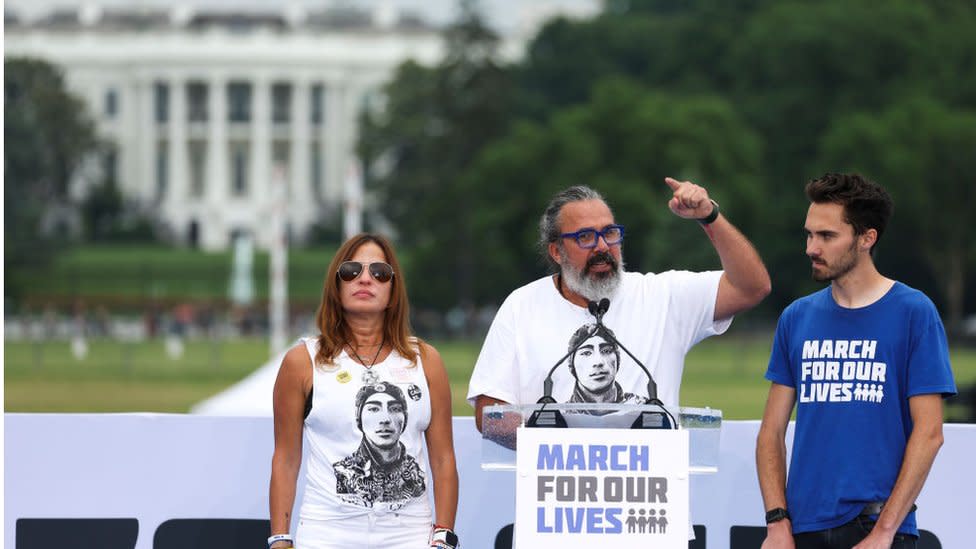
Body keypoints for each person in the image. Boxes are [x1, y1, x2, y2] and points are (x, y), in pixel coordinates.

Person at [468, 178, 771, 428]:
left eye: (610, 233)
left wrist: (710, 217)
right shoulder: (522, 306)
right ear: (557, 252)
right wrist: (558, 449)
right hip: (556, 492)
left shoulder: (661, 296)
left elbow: (751, 287)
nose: (602, 247)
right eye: (585, 237)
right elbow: (489, 411)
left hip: (650, 496)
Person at [755, 173, 956, 549]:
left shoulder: (914, 313)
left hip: (878, 527)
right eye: (809, 234)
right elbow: (771, 432)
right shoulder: (796, 317)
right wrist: (777, 522)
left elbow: (929, 433)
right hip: (802, 529)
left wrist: (884, 532)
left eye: (827, 236)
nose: (811, 247)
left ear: (867, 238)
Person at [269, 233, 459, 549]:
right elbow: (286, 458)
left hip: (409, 534)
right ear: (336, 284)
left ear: (393, 290)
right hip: (327, 532)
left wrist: (443, 536)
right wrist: (279, 538)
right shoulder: (301, 362)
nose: (365, 279)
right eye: (351, 271)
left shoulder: (427, 361)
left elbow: (443, 459)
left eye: (380, 272)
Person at [566, 323, 647, 404]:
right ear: (572, 364)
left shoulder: (641, 407)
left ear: (617, 359)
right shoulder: (561, 414)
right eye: (586, 353)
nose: (598, 362)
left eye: (606, 351)